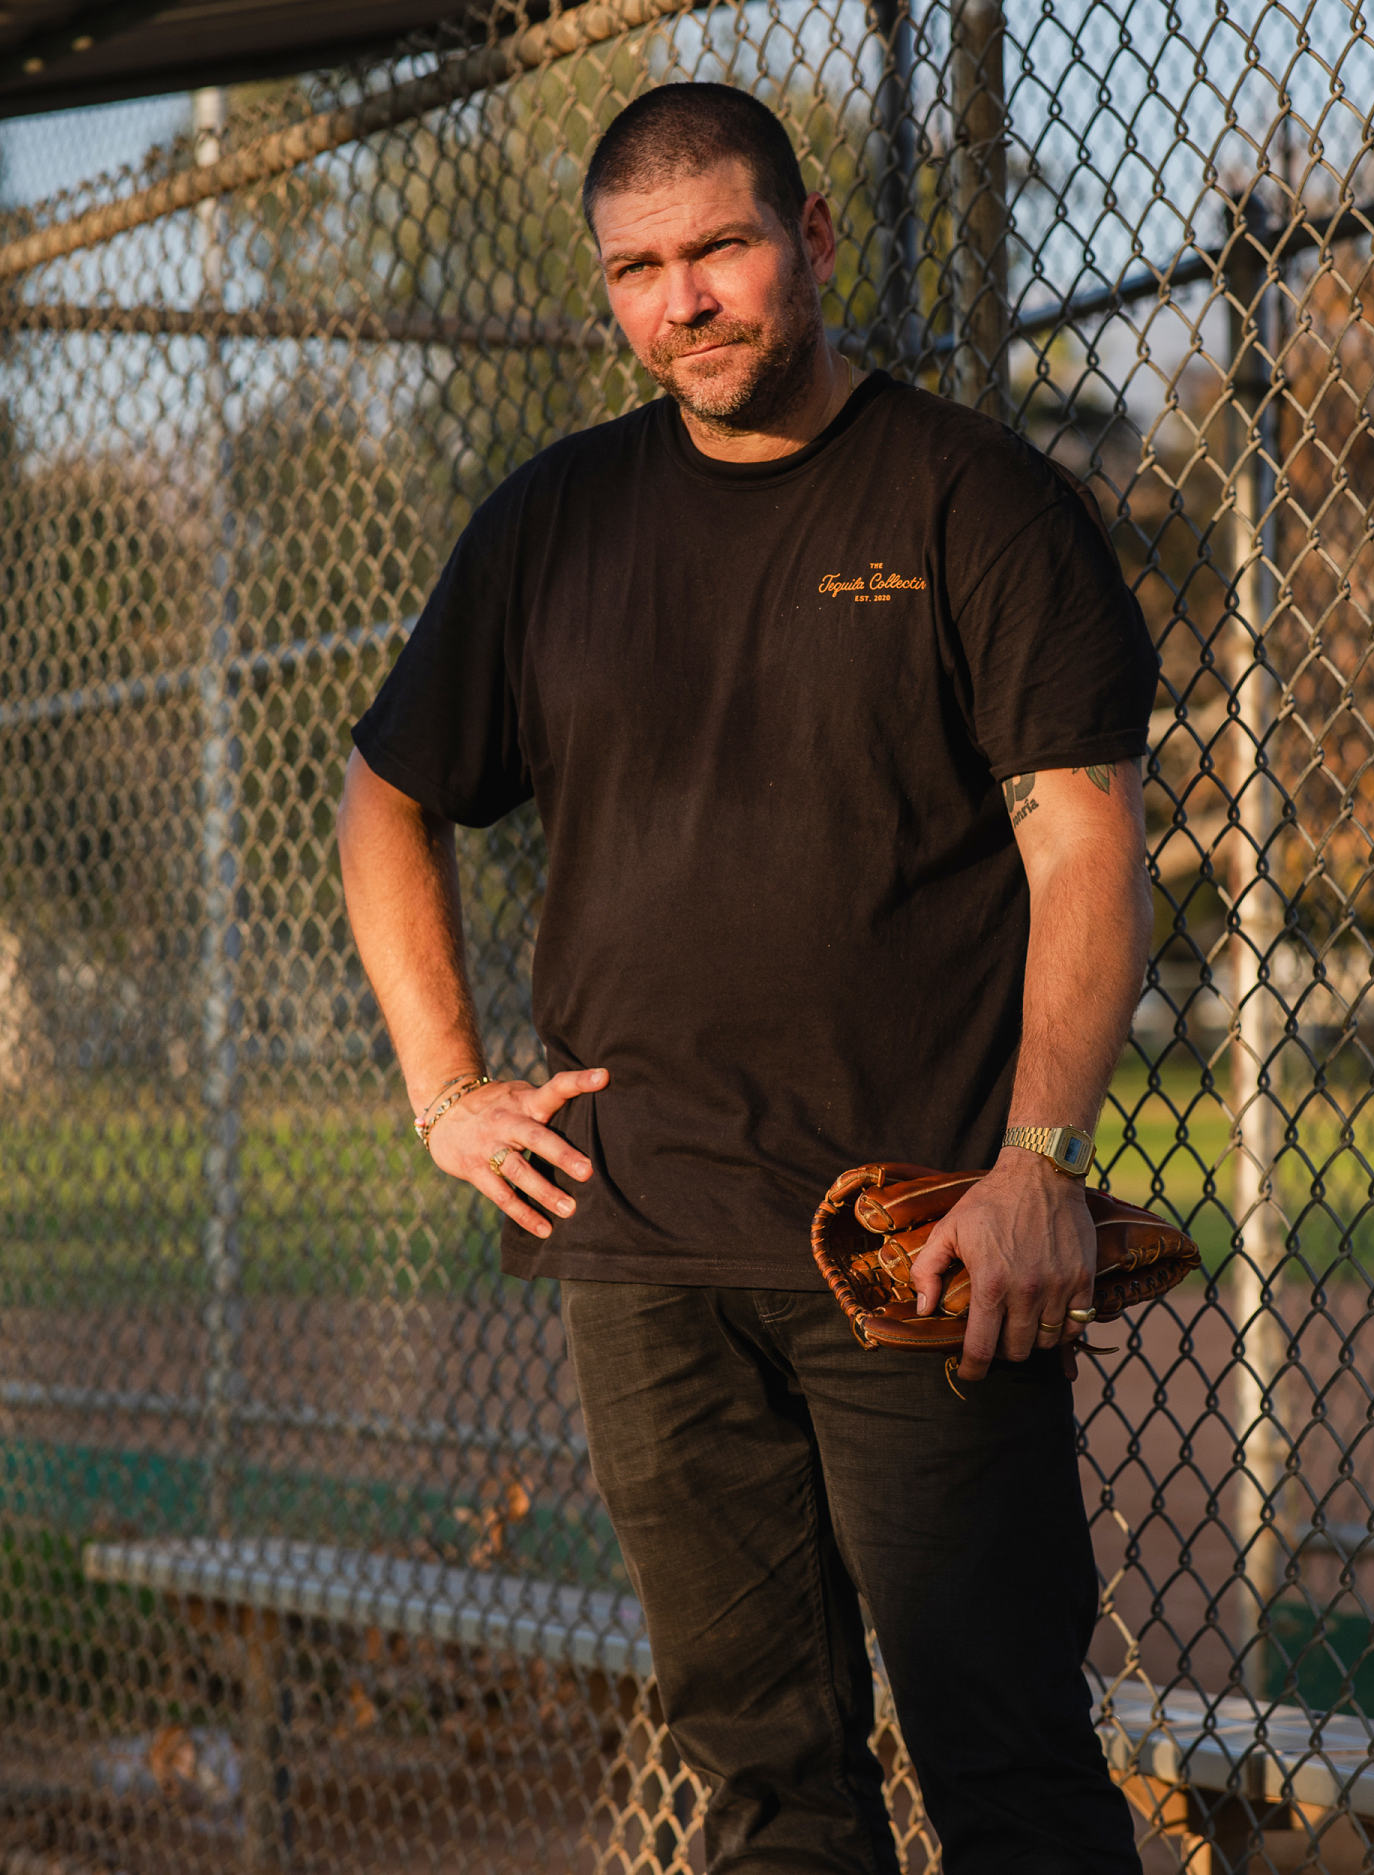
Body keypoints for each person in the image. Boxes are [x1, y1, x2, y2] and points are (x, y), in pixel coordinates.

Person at [337, 80, 1157, 1875]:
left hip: (923, 1240)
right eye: (638, 268)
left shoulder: (978, 506)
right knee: (768, 1792)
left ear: (813, 241)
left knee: (1008, 1771)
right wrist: (445, 1092)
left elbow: (1085, 848)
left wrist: (1040, 1164)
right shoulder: (553, 522)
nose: (683, 300)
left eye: (719, 248)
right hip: (645, 1242)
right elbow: (386, 794)